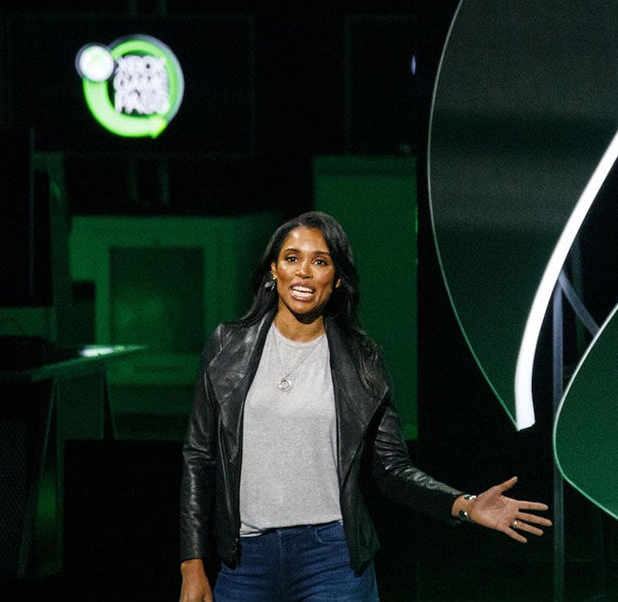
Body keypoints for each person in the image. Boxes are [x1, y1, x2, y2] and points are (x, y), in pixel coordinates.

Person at [179, 211, 550, 602]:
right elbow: (199, 458)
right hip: (245, 560)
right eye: (291, 258)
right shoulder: (227, 346)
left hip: (331, 559)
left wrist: (463, 505)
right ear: (274, 269)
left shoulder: (362, 358)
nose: (303, 272)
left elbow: (391, 468)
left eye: (320, 261)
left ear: (337, 278)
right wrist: (192, 565)